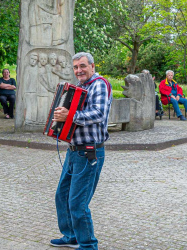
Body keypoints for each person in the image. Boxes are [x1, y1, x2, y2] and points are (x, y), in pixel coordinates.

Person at [50, 52, 112, 250]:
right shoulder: (80, 87)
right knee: (62, 195)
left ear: (92, 66)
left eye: (83, 66)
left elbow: (99, 114)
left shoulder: (99, 84)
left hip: (89, 153)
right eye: (76, 67)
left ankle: (88, 245)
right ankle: (71, 236)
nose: (79, 70)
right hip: (74, 150)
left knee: (78, 203)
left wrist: (70, 116)